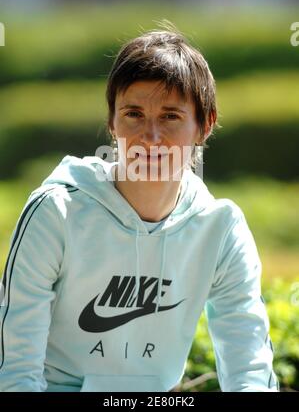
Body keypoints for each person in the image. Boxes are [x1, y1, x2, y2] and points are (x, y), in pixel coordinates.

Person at [0, 23, 279, 392]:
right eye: (133, 114)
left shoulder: (221, 227)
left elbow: (250, 370)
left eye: (170, 116)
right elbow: (15, 373)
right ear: (111, 123)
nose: (150, 138)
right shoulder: (55, 214)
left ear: (204, 125)